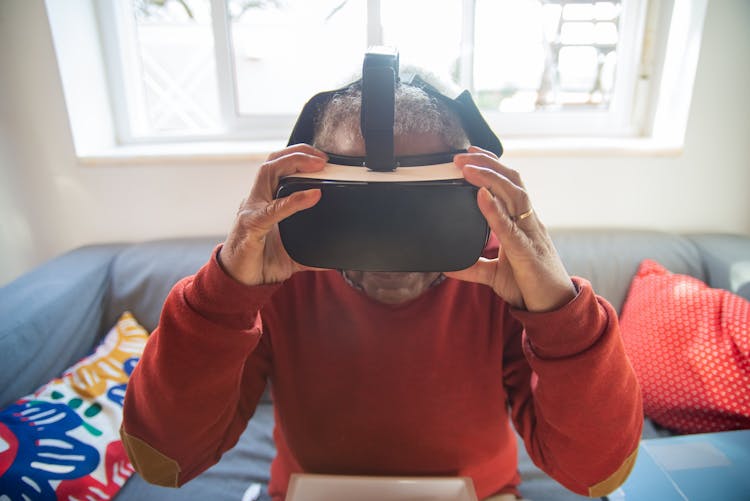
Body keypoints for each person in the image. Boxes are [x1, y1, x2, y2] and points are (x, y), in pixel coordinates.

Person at [121, 78, 643, 501]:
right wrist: (224, 294)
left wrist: (559, 311)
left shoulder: (498, 279)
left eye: (416, 209)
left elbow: (597, 473)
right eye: (363, 206)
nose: (388, 251)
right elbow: (163, 459)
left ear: (474, 200)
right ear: (309, 192)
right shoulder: (276, 277)